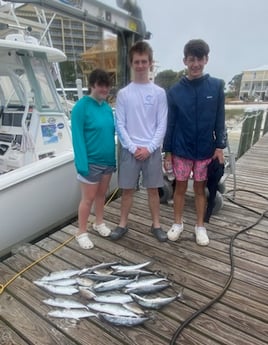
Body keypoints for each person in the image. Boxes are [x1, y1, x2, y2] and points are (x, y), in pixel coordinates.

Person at [163, 39, 226, 246]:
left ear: (206, 60)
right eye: (191, 59)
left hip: (206, 151)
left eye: (200, 59)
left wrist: (220, 147)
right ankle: (177, 224)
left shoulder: (216, 86)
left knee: (200, 190)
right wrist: (168, 152)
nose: (195, 64)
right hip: (181, 150)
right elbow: (170, 124)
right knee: (180, 188)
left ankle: (200, 227)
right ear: (185, 61)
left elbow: (220, 119)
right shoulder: (174, 91)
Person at [110, 40, 168, 242]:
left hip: (151, 151)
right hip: (130, 151)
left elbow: (162, 124)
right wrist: (134, 148)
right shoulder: (124, 94)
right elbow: (120, 124)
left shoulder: (159, 93)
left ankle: (157, 225)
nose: (141, 65)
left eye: (144, 61)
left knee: (153, 190)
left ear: (150, 63)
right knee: (127, 191)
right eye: (137, 61)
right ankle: (122, 224)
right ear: (131, 63)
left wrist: (150, 148)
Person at [71, 69, 116, 249]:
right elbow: (77, 137)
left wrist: (113, 160)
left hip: (107, 161)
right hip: (90, 162)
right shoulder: (81, 107)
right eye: (101, 85)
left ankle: (99, 223)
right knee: (87, 199)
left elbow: (110, 133)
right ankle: (81, 231)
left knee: (101, 196)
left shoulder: (106, 107)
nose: (104, 89)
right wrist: (82, 164)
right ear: (92, 85)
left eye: (107, 86)